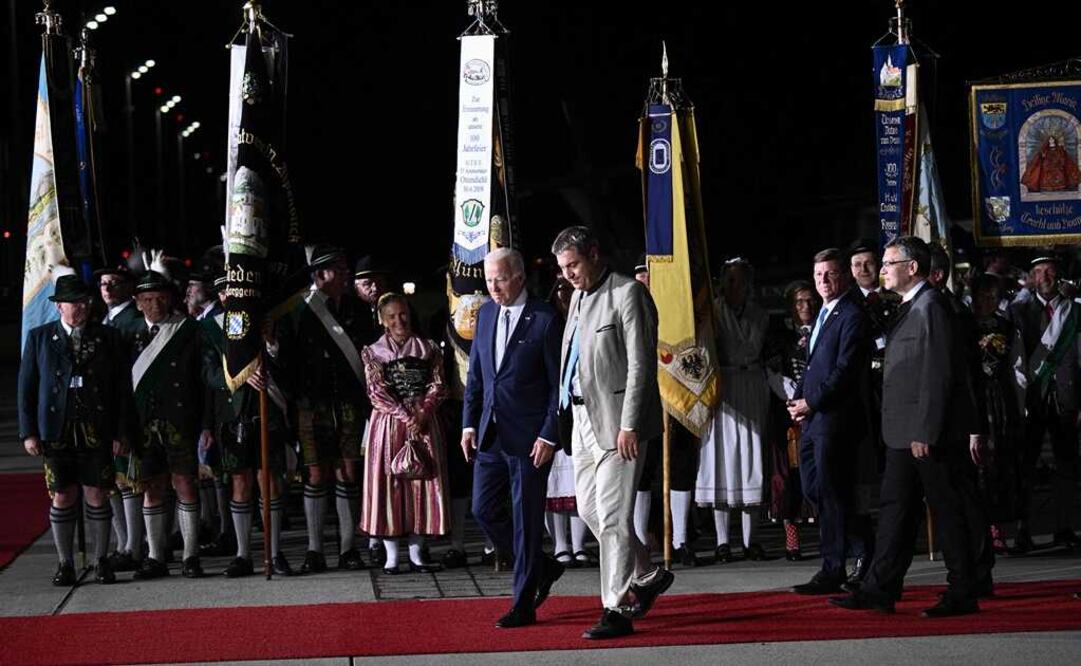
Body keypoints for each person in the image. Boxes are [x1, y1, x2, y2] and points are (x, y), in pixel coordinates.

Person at [830, 236, 983, 618]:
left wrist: (925, 430)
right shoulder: (907, 306)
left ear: (911, 267)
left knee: (947, 512)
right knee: (896, 512)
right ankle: (880, 589)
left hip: (924, 434)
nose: (881, 269)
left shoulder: (931, 306)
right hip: (900, 433)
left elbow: (938, 373)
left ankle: (963, 591)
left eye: (888, 262)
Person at [552, 226, 673, 640]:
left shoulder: (628, 294)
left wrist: (630, 424)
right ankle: (648, 574)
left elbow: (641, 364)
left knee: (613, 517)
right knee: (590, 510)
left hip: (618, 423)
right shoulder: (578, 298)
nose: (568, 274)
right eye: (563, 268)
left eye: (574, 265)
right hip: (582, 422)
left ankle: (616, 608)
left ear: (594, 254)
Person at [461, 248, 565, 628]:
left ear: (519, 277)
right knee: (483, 509)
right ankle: (543, 566)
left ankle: (523, 603)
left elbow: (559, 387)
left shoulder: (545, 319)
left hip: (529, 440)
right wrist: (468, 424)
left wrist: (549, 435)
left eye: (500, 279)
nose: (493, 286)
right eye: (488, 279)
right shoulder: (486, 314)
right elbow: (477, 376)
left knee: (526, 522)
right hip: (489, 433)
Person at [19, 274, 131, 585]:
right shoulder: (41, 338)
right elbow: (27, 388)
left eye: (84, 302)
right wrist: (29, 432)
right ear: (59, 307)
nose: (80, 308)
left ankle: (100, 560)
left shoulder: (107, 337)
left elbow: (121, 388)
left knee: (97, 493)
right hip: (56, 430)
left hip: (96, 428)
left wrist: (121, 432)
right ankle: (65, 562)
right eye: (73, 303)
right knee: (63, 494)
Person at [788, 249, 872, 594]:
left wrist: (813, 401)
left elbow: (844, 370)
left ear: (845, 278)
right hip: (811, 417)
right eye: (818, 274)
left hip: (833, 416)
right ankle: (863, 543)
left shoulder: (851, 314)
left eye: (831, 274)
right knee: (815, 489)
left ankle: (833, 568)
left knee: (831, 491)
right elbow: (813, 367)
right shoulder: (824, 312)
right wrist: (797, 398)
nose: (823, 281)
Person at [283, 245, 368, 573]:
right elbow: (288, 358)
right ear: (319, 275)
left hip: (347, 400)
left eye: (346, 269)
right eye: (339, 269)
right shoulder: (299, 310)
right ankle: (314, 549)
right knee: (316, 474)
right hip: (311, 402)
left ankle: (348, 548)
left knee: (347, 472)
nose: (346, 275)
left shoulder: (357, 309)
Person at [200, 278, 293, 577]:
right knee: (240, 484)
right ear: (222, 295)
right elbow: (208, 373)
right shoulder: (211, 328)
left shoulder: (266, 320)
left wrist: (271, 343)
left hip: (268, 412)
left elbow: (289, 366)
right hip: (232, 414)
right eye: (228, 292)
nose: (234, 296)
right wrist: (239, 376)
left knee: (270, 482)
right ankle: (243, 554)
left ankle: (274, 552)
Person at [360, 293, 448, 573]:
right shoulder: (374, 351)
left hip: (423, 422)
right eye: (392, 316)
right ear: (383, 321)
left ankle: (417, 552)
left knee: (421, 483)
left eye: (403, 314)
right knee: (390, 485)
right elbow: (376, 391)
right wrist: (405, 415)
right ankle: (391, 556)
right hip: (389, 424)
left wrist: (423, 412)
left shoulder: (428, 348)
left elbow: (438, 383)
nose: (399, 320)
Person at [128, 270, 207, 580]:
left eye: (160, 298)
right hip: (143, 425)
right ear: (137, 303)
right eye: (147, 299)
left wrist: (206, 424)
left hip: (181, 422)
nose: (155, 305)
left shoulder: (188, 330)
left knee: (185, 484)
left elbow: (202, 380)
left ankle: (190, 555)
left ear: (171, 298)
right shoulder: (126, 332)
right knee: (151, 487)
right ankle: (155, 555)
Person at [696, 258, 769, 563]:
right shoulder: (711, 312)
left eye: (738, 280)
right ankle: (723, 541)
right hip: (722, 387)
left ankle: (751, 541)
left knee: (750, 459)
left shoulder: (759, 313)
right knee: (721, 462)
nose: (732, 286)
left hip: (750, 383)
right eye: (729, 280)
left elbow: (755, 349)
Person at [1009, 255, 1081, 551]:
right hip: (1032, 398)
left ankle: (1064, 527)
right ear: (1031, 278)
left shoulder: (1073, 311)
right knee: (1025, 465)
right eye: (1038, 272)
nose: (1045, 277)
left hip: (1066, 397)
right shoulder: (1019, 311)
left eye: (1050, 271)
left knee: (1066, 465)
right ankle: (1022, 528)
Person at [970, 273, 1026, 554]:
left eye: (994, 296)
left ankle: (1003, 526)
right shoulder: (964, 324)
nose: (989, 301)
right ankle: (982, 527)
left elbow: (1017, 365)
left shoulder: (1006, 325)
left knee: (1003, 462)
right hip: (976, 397)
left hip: (1000, 397)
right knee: (980, 466)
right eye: (984, 295)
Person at [94, 264, 145, 572]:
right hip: (106, 413)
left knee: (131, 483)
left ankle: (134, 545)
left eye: (114, 283)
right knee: (112, 482)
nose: (107, 288)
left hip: (129, 412)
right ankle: (123, 541)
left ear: (128, 287)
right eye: (102, 283)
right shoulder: (103, 321)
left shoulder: (133, 322)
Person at [764, 280, 819, 561]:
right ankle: (792, 539)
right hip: (788, 415)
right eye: (799, 302)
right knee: (785, 478)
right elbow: (774, 374)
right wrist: (794, 402)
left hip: (818, 411)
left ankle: (828, 533)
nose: (805, 307)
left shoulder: (824, 330)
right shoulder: (780, 338)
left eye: (809, 301)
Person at [544, 275, 594, 568]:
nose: (564, 294)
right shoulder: (549, 324)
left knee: (580, 481)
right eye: (559, 288)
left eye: (569, 289)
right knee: (555, 482)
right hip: (556, 408)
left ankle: (579, 545)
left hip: (584, 406)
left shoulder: (586, 317)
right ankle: (561, 545)